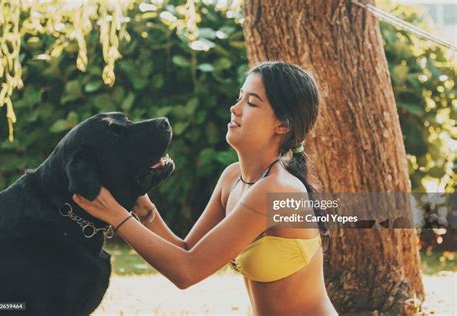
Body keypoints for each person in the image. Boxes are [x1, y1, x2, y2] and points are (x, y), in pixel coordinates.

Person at [73, 61, 338, 315]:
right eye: (239, 97)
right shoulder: (232, 178)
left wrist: (116, 217)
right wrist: (142, 207)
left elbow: (186, 271)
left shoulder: (277, 190)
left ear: (283, 125)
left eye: (252, 103)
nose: (235, 108)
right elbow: (187, 249)